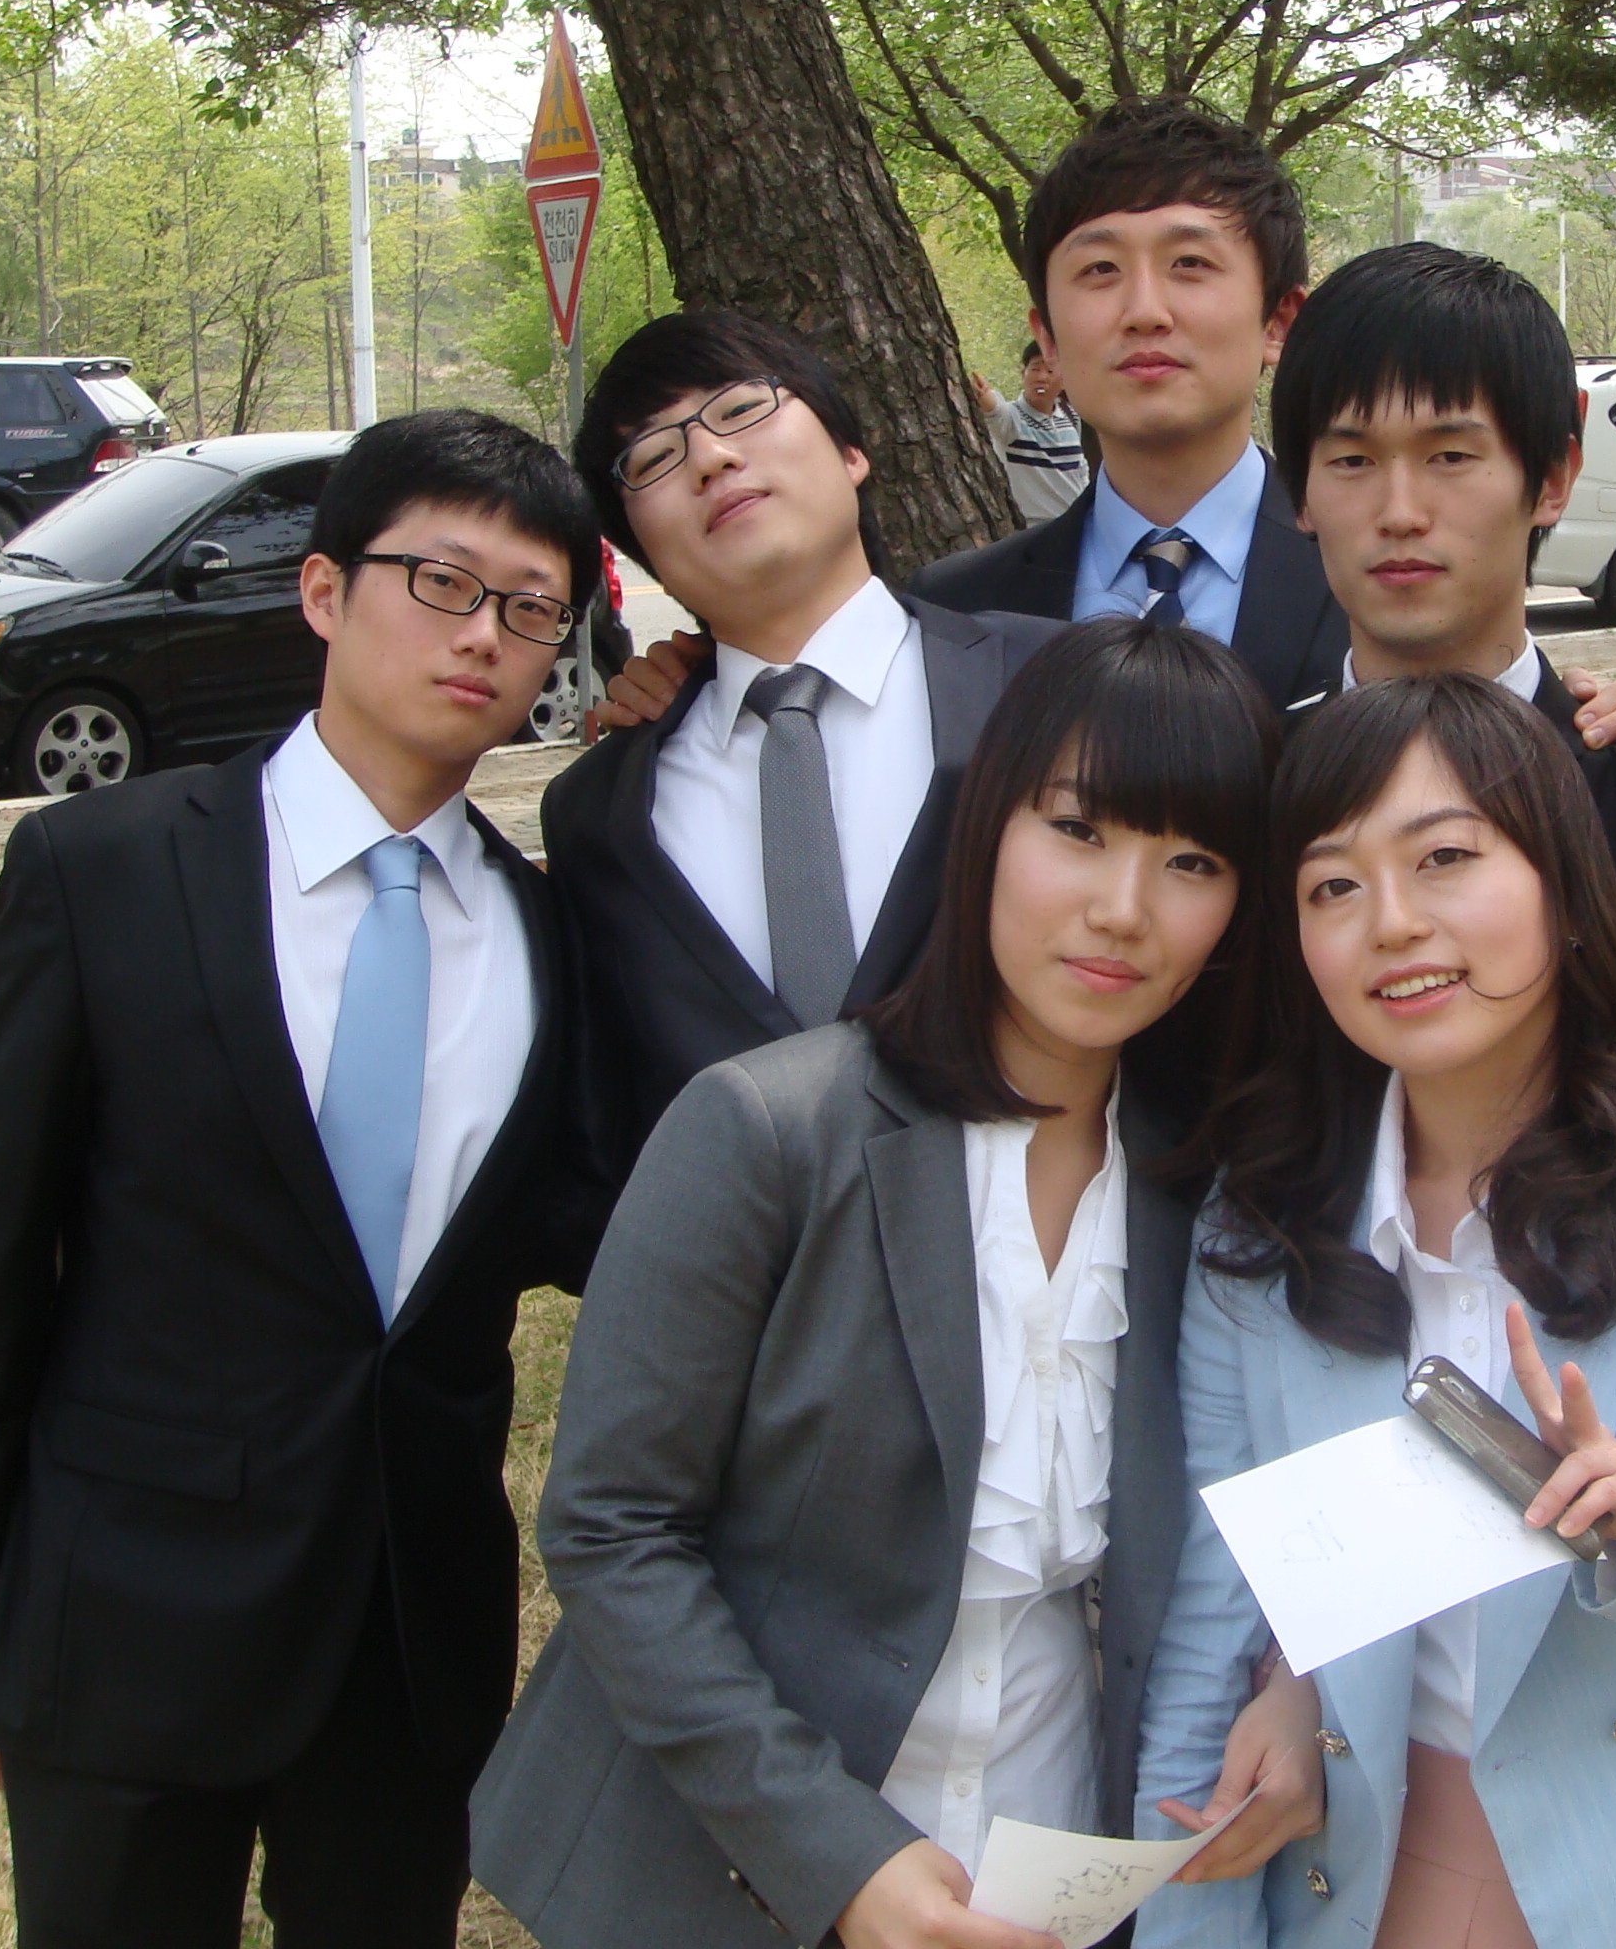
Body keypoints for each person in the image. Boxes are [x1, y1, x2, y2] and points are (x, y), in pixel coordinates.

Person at [471, 618, 1330, 1949]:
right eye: (1079, 831)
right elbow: (611, 1528)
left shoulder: (1199, 1190)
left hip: (1050, 1864)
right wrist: (838, 1858)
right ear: (987, 826)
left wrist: (1293, 1687)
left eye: (1193, 863)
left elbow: (1249, 1509)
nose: (1123, 908)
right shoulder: (773, 1132)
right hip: (738, 1869)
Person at [0, 409, 613, 1949]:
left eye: (530, 609)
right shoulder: (102, 870)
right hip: (126, 1611)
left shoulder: (551, 935)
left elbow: (584, 1226)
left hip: (410, 1636)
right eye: (443, 582)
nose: (481, 635)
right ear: (323, 592)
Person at [1137, 674, 1616, 1949]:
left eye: (1444, 857)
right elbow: (1213, 1627)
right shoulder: (1263, 1227)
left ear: (1562, 884)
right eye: (1331, 886)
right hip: (1362, 1885)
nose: (1392, 923)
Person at [1273, 240, 1616, 1104]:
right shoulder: (1252, 787)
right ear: (1301, 492)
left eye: (1450, 456)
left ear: (1553, 478)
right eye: (1352, 461)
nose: (1400, 512)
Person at [542, 308, 1060, 1165]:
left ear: (852, 451)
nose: (710, 457)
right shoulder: (597, 816)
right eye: (653, 457)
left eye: (742, 408)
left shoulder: (1053, 687)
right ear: (638, 550)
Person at [908, 97, 1349, 702]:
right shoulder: (952, 611)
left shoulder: (1370, 579)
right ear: (1048, 338)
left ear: (1278, 322)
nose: (1144, 311)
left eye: (1189, 263)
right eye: (1100, 269)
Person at [974, 336, 1090, 523]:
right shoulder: (1012, 420)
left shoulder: (1071, 416)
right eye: (1035, 369)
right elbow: (994, 409)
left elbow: (1080, 470)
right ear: (1023, 374)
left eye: (1050, 370)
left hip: (1076, 524)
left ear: (1064, 379)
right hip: (1034, 529)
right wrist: (982, 394)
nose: (1041, 377)